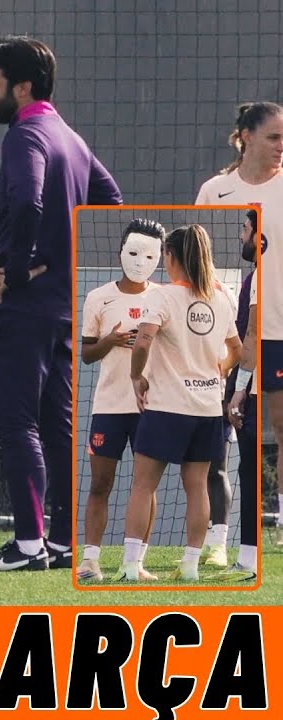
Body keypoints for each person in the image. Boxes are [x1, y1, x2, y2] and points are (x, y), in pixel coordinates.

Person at [0, 36, 123, 572]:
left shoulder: (27, 135)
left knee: (15, 423)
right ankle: (60, 544)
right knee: (56, 427)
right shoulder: (71, 139)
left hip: (25, 307)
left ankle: (28, 546)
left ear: (22, 87)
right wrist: (59, 263)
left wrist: (20, 264)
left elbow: (30, 200)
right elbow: (112, 200)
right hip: (62, 309)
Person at [119, 225, 241, 582]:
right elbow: (236, 350)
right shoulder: (220, 298)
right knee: (197, 486)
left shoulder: (162, 297)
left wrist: (136, 377)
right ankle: (190, 566)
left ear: (170, 257)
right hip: (206, 409)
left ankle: (129, 567)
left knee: (143, 485)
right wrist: (219, 369)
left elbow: (141, 345)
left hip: (167, 407)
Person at [196, 102, 283, 554]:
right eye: (273, 137)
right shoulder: (216, 191)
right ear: (245, 136)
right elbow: (198, 262)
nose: (281, 147)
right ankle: (220, 540)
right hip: (232, 335)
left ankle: (279, 525)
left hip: (279, 334)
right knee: (225, 435)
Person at [75, 219, 164, 582]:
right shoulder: (99, 297)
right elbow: (86, 354)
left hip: (150, 406)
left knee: (146, 486)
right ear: (120, 251)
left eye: (149, 254)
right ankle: (90, 560)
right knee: (100, 484)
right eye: (133, 252)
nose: (140, 261)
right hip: (109, 406)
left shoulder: (163, 296)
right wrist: (111, 341)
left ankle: (135, 562)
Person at [222, 209, 267, 579]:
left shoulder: (261, 278)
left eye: (245, 227)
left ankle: (250, 558)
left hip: (256, 386)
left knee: (249, 466)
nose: (241, 235)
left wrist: (239, 390)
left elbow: (252, 336)